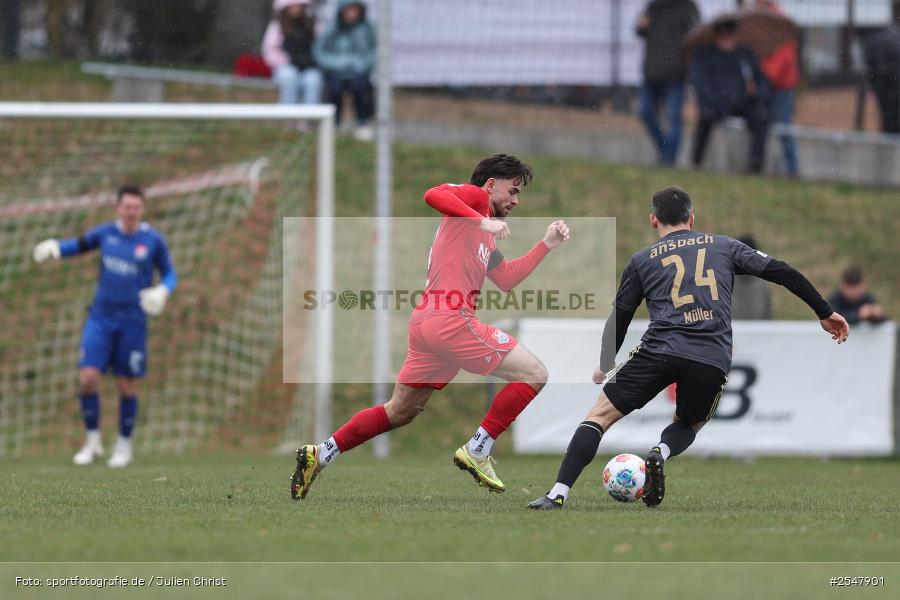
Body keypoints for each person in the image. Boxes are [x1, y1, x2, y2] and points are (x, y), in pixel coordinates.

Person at [527, 186, 849, 510]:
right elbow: (779, 270)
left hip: (659, 350)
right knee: (690, 422)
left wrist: (604, 362)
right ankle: (661, 452)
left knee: (599, 416)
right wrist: (824, 311)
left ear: (654, 220)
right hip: (711, 357)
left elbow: (620, 315)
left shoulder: (641, 260)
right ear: (691, 219)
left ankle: (557, 493)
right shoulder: (723, 246)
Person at [291, 154, 571, 501]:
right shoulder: (475, 198)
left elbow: (507, 279)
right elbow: (432, 194)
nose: (515, 201)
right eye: (512, 191)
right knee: (535, 374)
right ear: (490, 185)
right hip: (450, 319)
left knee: (399, 411)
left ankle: (322, 453)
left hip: (428, 322)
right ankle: (478, 449)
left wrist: (546, 245)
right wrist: (480, 220)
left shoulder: (485, 236)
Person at [32, 186, 177, 468]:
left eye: (136, 206)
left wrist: (163, 291)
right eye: (127, 206)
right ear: (118, 207)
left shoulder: (153, 241)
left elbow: (170, 273)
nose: (131, 211)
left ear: (142, 209)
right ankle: (93, 442)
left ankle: (123, 447)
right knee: (87, 378)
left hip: (133, 321)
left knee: (126, 385)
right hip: (100, 318)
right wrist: (55, 248)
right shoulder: (105, 233)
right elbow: (79, 245)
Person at [689, 18, 771, 173]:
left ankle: (755, 164)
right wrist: (716, 101)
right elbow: (701, 83)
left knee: (761, 116)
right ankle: (696, 161)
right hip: (716, 104)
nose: (727, 40)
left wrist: (757, 93)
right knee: (705, 118)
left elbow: (761, 80)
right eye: (724, 36)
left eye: (730, 36)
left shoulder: (745, 54)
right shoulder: (705, 55)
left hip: (742, 103)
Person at [636, 0, 700, 166]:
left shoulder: (688, 7)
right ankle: (665, 152)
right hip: (651, 71)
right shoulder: (653, 6)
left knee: (674, 119)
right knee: (645, 112)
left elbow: (696, 38)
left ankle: (667, 161)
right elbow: (640, 31)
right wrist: (641, 25)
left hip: (675, 74)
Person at [313, 0, 376, 141]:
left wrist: (363, 64)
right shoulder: (332, 28)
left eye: (355, 10)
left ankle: (363, 123)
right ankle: (334, 124)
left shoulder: (367, 28)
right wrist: (337, 64)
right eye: (349, 10)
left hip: (359, 72)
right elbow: (319, 52)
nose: (352, 14)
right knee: (333, 89)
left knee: (362, 88)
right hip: (336, 72)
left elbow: (375, 50)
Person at [754, 0, 799, 176]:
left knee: (783, 129)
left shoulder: (781, 25)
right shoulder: (758, 23)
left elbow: (782, 59)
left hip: (781, 87)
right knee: (765, 127)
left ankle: (792, 170)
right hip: (767, 84)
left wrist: (764, 77)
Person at [262, 0, 323, 105]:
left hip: (308, 67)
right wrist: (288, 60)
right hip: (286, 66)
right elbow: (269, 50)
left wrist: (312, 61)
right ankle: (288, 115)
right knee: (289, 77)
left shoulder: (312, 24)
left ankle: (308, 118)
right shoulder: (277, 26)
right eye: (292, 5)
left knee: (313, 80)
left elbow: (321, 47)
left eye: (298, 5)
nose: (295, 8)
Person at [859, 24, 900, 135]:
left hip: (889, 86)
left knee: (890, 118)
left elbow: (878, 68)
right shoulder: (892, 34)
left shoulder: (871, 41)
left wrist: (875, 87)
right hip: (893, 83)